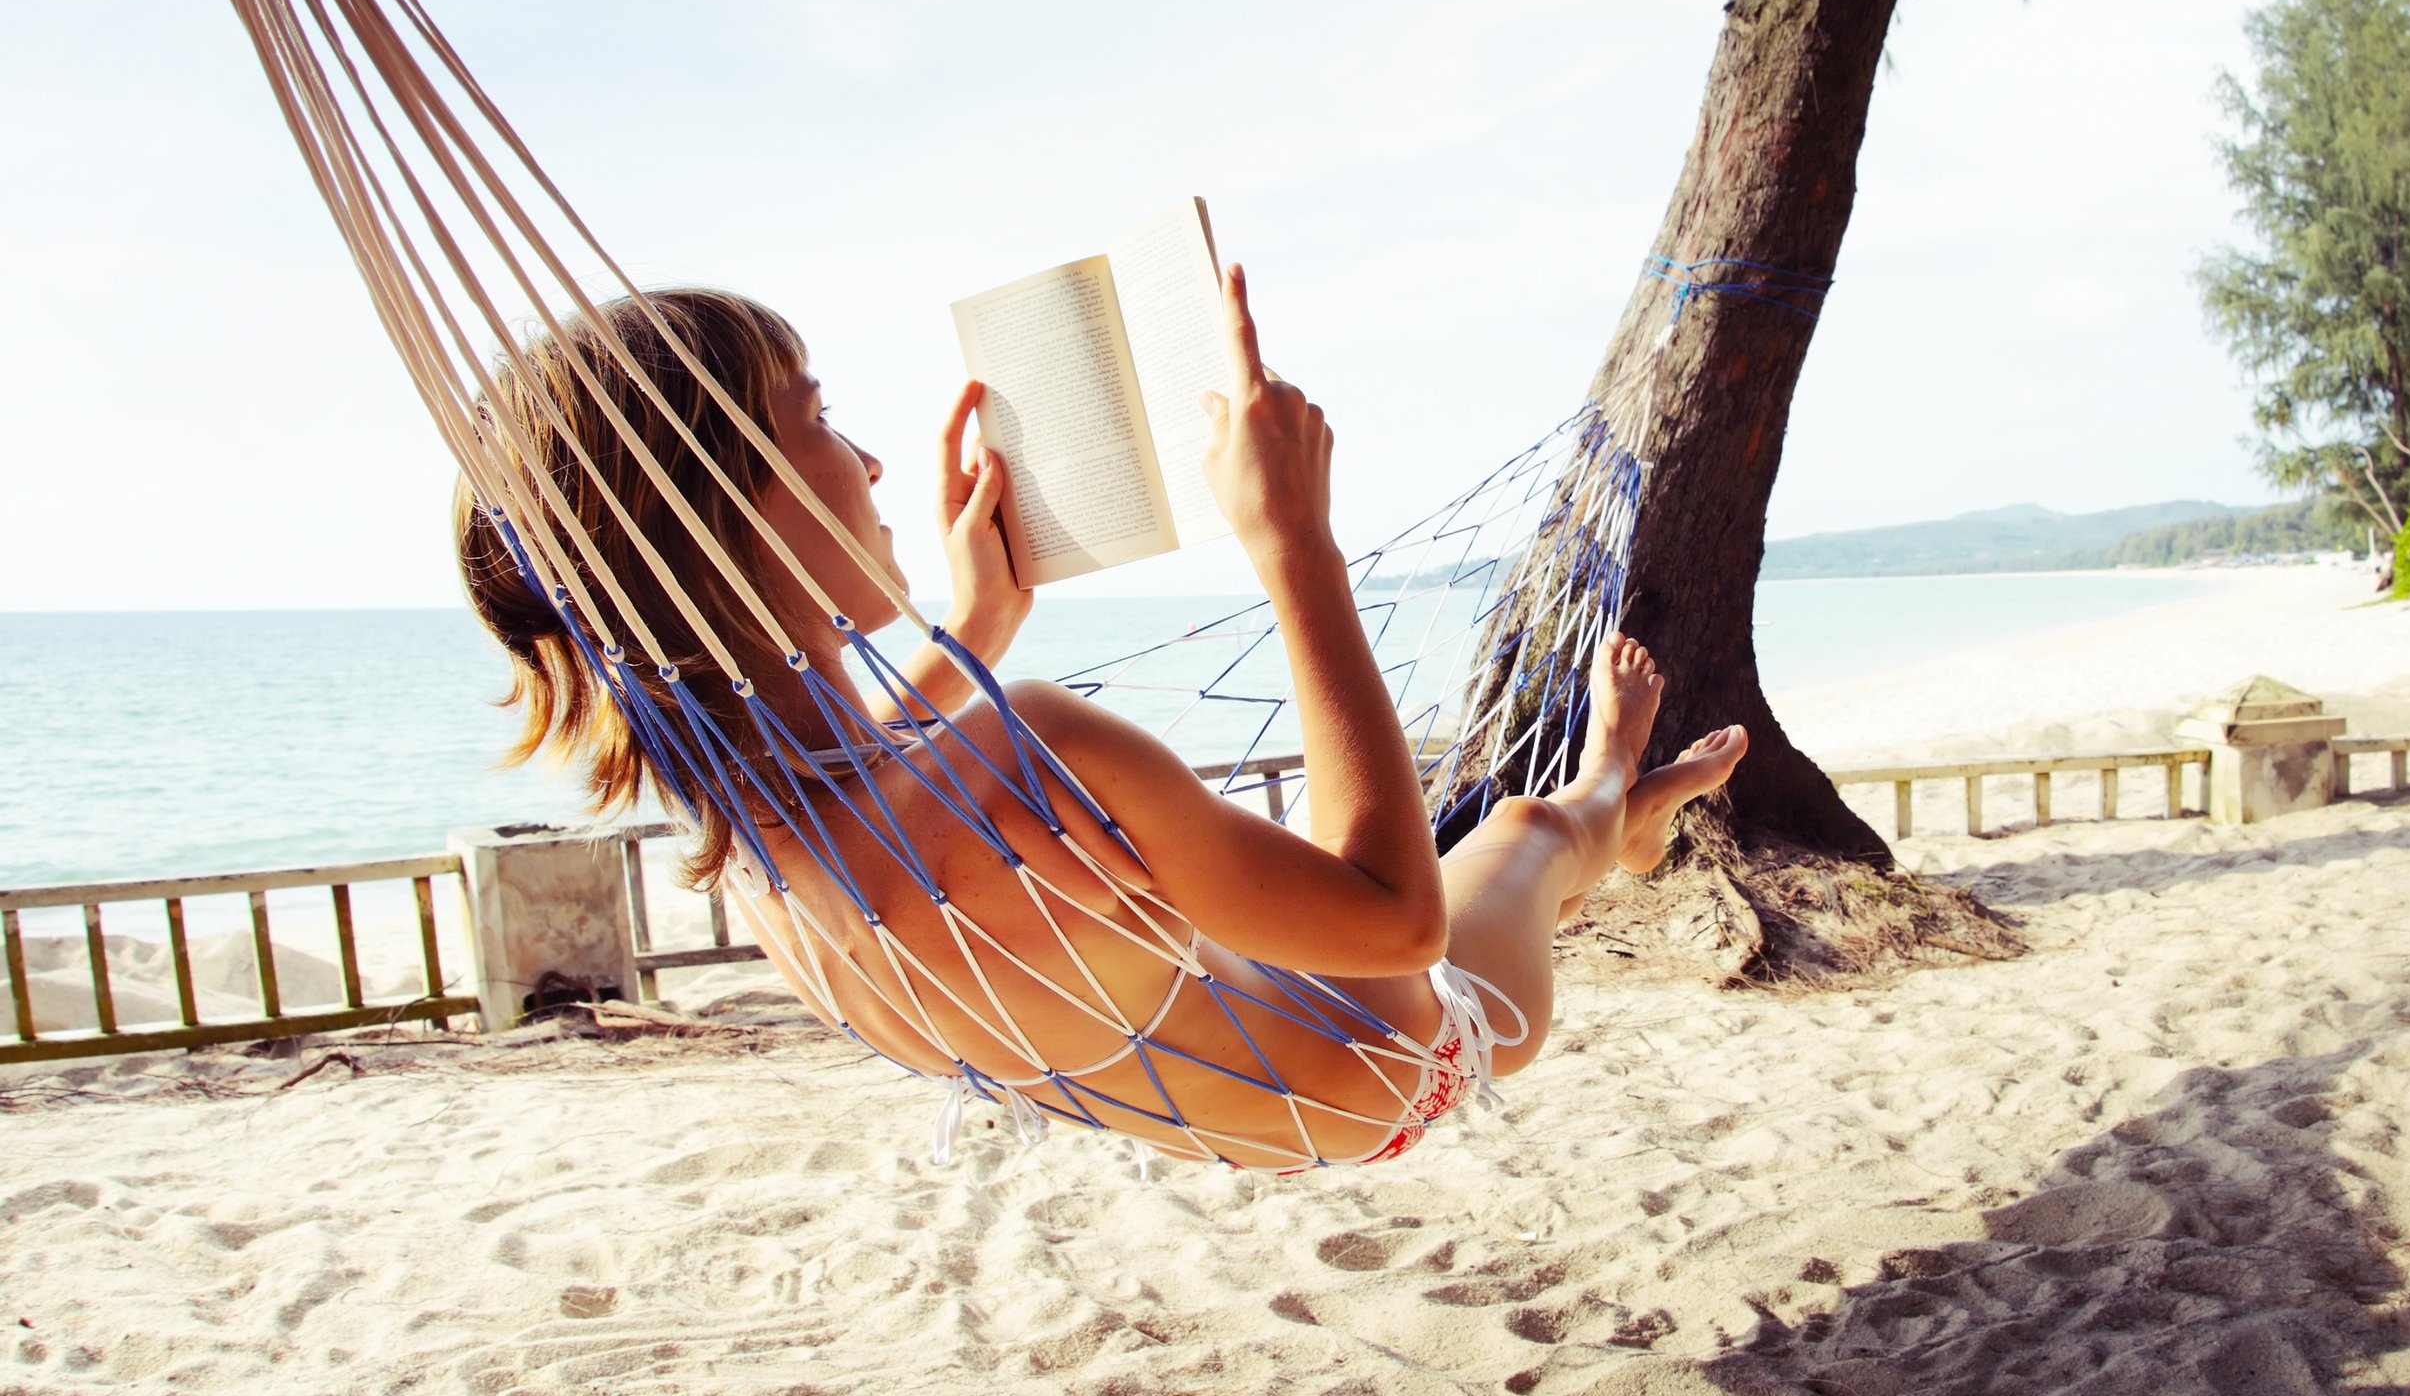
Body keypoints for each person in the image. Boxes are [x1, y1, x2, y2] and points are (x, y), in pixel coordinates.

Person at [456, 267, 1744, 1170]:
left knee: (1523, 837)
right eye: (821, 420)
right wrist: (1293, 539)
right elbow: (1395, 923)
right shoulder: (1032, 750)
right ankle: (1616, 794)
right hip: (1408, 1054)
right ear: (728, 522)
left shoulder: (759, 854)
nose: (875, 464)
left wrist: (981, 622)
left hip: (1232, 1099)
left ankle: (1619, 811)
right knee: (1523, 831)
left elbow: (881, 782)